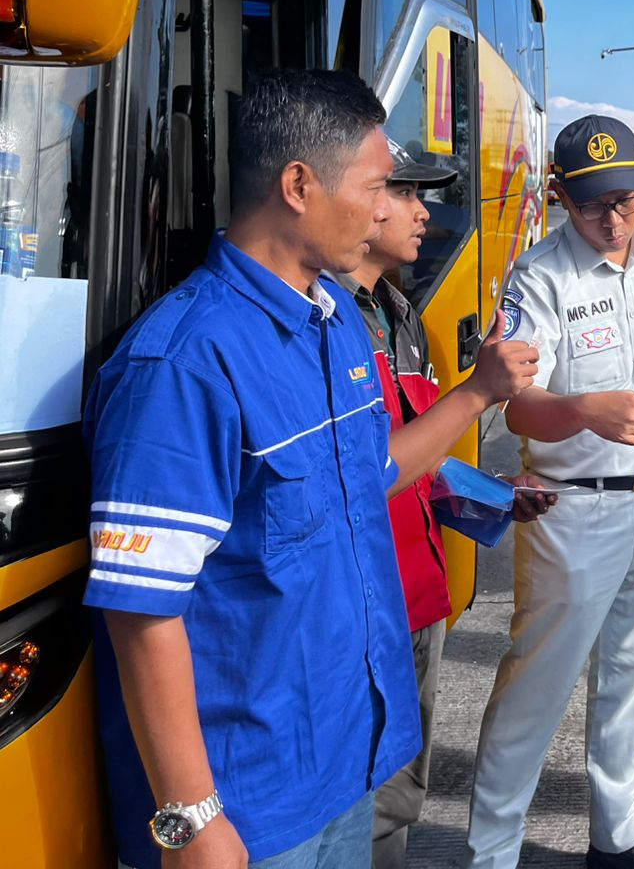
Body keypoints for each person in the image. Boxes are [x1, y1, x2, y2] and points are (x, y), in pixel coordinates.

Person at [84, 71, 488, 868]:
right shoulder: (185, 362)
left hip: (345, 760)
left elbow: (364, 477)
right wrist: (191, 818)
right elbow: (142, 610)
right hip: (249, 803)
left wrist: (476, 402)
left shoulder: (335, 328)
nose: (386, 208)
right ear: (299, 185)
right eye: (377, 187)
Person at [462, 115, 634, 869]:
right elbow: (515, 403)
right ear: (561, 196)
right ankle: (492, 853)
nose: (614, 219)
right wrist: (583, 411)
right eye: (594, 203)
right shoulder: (541, 277)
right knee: (537, 689)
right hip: (577, 511)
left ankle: (617, 834)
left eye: (628, 199)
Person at [337, 139, 544, 869]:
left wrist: (490, 494)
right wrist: (480, 392)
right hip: (364, 610)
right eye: (408, 192)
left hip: (419, 599)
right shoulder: (329, 325)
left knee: (402, 793)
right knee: (368, 804)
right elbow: (363, 476)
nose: (427, 213)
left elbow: (416, 461)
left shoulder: (402, 316)